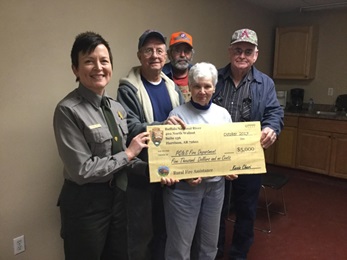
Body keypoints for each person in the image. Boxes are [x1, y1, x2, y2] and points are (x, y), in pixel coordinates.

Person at [53, 31, 150, 260]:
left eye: (104, 61)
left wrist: (158, 172)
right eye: (89, 61)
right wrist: (128, 154)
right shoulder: (68, 110)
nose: (98, 67)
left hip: (118, 198)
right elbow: (83, 170)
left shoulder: (116, 108)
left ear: (111, 67)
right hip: (85, 205)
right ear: (75, 69)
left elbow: (123, 157)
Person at [213, 29, 284, 260]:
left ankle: (238, 255)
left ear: (255, 55)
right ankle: (214, 252)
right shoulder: (215, 78)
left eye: (248, 51)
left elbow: (274, 112)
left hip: (249, 157)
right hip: (219, 156)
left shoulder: (266, 83)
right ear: (230, 51)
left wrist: (271, 128)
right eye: (237, 50)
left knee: (246, 211)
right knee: (217, 209)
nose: (242, 55)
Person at [117, 29, 185, 260]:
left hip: (170, 174)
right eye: (148, 50)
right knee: (140, 236)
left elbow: (185, 125)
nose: (154, 55)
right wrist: (162, 126)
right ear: (139, 55)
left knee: (166, 231)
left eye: (159, 50)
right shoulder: (128, 88)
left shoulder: (173, 88)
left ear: (166, 55)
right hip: (142, 176)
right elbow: (130, 127)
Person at [162, 62, 238, 260]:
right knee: (179, 246)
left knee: (209, 245)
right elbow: (169, 160)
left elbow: (227, 150)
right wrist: (185, 175)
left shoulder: (223, 115)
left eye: (207, 86)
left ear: (214, 87)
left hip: (215, 188)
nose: (202, 91)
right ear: (190, 86)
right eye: (197, 86)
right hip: (184, 191)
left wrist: (229, 167)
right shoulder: (177, 115)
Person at [163, 31, 194, 102]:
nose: (182, 55)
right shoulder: (160, 75)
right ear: (169, 54)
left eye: (187, 51)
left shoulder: (198, 74)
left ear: (191, 54)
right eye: (177, 51)